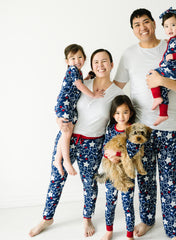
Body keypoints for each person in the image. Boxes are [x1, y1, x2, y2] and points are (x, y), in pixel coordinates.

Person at [112, 8, 176, 240]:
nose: (142, 27)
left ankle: (174, 230)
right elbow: (115, 89)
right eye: (137, 24)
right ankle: (147, 219)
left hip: (169, 126)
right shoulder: (129, 54)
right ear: (133, 29)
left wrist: (162, 80)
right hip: (141, 130)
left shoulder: (172, 46)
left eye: (146, 22)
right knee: (145, 177)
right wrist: (89, 87)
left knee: (169, 179)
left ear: (154, 24)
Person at [29, 49, 124, 238]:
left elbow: (118, 124)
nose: (100, 65)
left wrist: (114, 150)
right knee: (57, 176)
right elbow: (64, 101)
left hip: (93, 144)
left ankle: (87, 217)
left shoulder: (117, 94)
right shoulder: (83, 83)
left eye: (104, 61)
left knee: (89, 183)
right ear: (91, 65)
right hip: (69, 138)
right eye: (96, 62)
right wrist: (58, 119)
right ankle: (47, 217)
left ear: (111, 65)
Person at [54, 44, 104, 177]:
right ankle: (65, 161)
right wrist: (93, 95)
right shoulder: (72, 70)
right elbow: (79, 85)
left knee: (66, 131)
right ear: (67, 62)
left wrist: (87, 78)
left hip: (69, 106)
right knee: (67, 132)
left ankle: (57, 160)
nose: (77, 61)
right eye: (72, 58)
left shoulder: (77, 72)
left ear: (85, 58)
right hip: (65, 105)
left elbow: (78, 84)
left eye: (80, 57)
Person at [100, 95, 137, 240]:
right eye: (117, 113)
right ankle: (109, 230)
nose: (121, 116)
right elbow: (105, 147)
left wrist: (118, 154)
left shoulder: (133, 130)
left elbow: (133, 151)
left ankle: (129, 235)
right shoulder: (110, 129)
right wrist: (110, 156)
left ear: (131, 113)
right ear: (112, 114)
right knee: (110, 202)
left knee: (128, 204)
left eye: (125, 112)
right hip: (111, 173)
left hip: (127, 173)